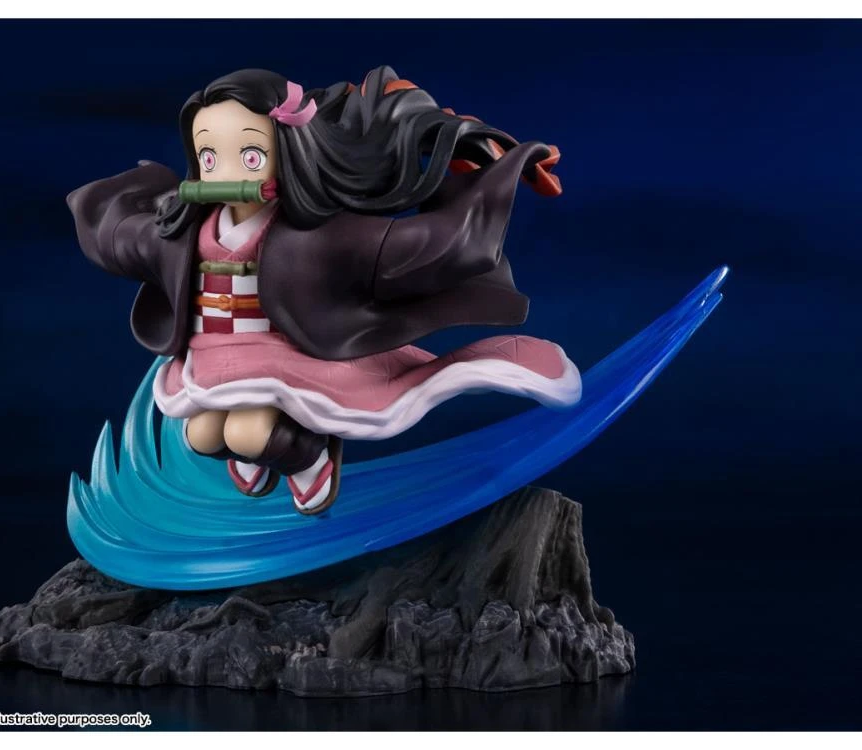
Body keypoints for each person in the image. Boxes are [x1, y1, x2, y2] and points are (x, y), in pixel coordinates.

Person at [67, 66, 581, 516]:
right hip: (214, 352)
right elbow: (126, 238)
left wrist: (496, 173)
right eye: (208, 156)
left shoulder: (313, 234)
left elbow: (419, 247)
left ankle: (307, 456)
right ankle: (263, 451)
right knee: (201, 436)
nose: (224, 172)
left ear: (285, 151)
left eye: (249, 156)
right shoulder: (186, 227)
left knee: (248, 432)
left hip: (288, 351)